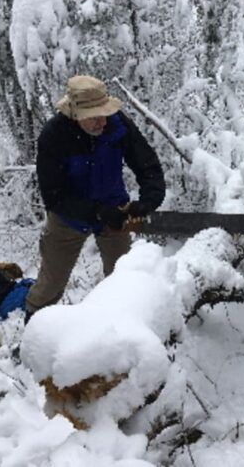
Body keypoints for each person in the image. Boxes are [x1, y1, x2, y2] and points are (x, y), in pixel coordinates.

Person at [25, 75, 165, 317]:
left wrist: (149, 200)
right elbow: (54, 196)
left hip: (116, 212)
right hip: (68, 219)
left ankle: (119, 333)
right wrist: (96, 212)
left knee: (124, 279)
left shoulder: (118, 124)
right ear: (75, 113)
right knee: (50, 285)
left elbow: (147, 164)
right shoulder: (54, 137)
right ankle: (33, 337)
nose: (101, 121)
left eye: (104, 113)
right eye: (93, 116)